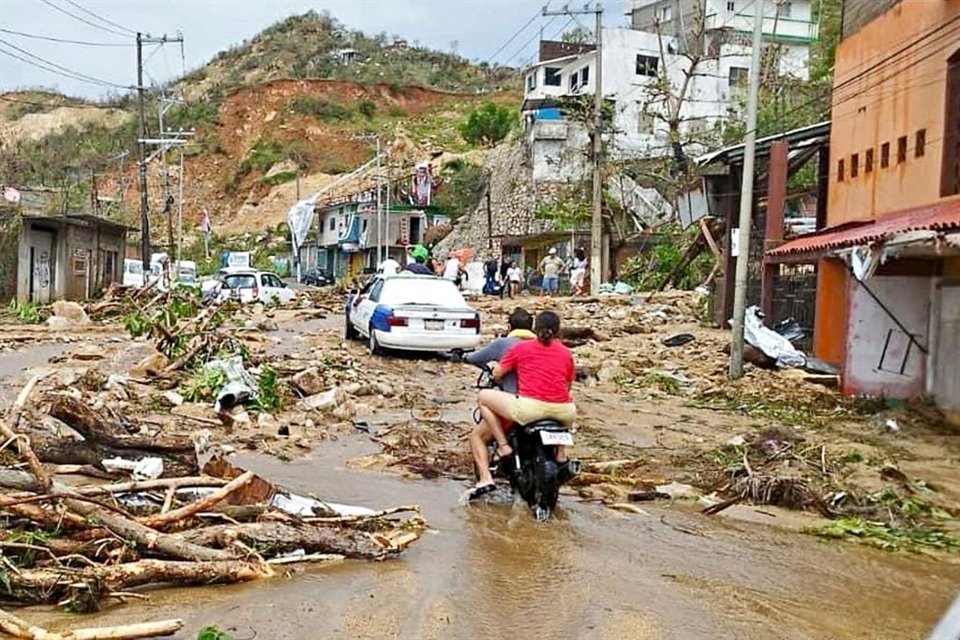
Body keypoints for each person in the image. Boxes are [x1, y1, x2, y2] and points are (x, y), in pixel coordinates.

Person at [469, 310, 576, 496]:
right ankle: (560, 454)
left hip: (529, 409)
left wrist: (494, 367)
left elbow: (498, 374)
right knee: (561, 412)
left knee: (483, 397)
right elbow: (568, 385)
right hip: (565, 411)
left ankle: (500, 452)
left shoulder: (520, 348)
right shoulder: (566, 353)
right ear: (558, 331)